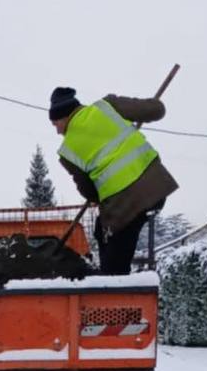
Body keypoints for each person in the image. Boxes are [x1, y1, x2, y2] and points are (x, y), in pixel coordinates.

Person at [49, 86, 178, 275]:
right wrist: (142, 112)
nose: (57, 131)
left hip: (123, 208)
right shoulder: (107, 106)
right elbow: (157, 110)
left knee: (114, 266)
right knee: (101, 230)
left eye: (55, 124)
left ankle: (113, 289)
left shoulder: (67, 151)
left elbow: (90, 193)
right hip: (156, 187)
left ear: (63, 117)